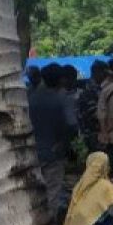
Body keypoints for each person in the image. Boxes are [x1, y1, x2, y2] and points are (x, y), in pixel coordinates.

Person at [29, 64, 77, 215]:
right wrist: (64, 143)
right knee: (52, 192)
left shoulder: (30, 98)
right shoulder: (62, 100)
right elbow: (72, 126)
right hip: (53, 154)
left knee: (34, 193)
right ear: (61, 80)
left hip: (31, 152)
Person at [76, 61, 110, 152]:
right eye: (105, 73)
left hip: (95, 132)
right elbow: (95, 113)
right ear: (98, 72)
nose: (106, 76)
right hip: (92, 133)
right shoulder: (89, 90)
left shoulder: (98, 88)